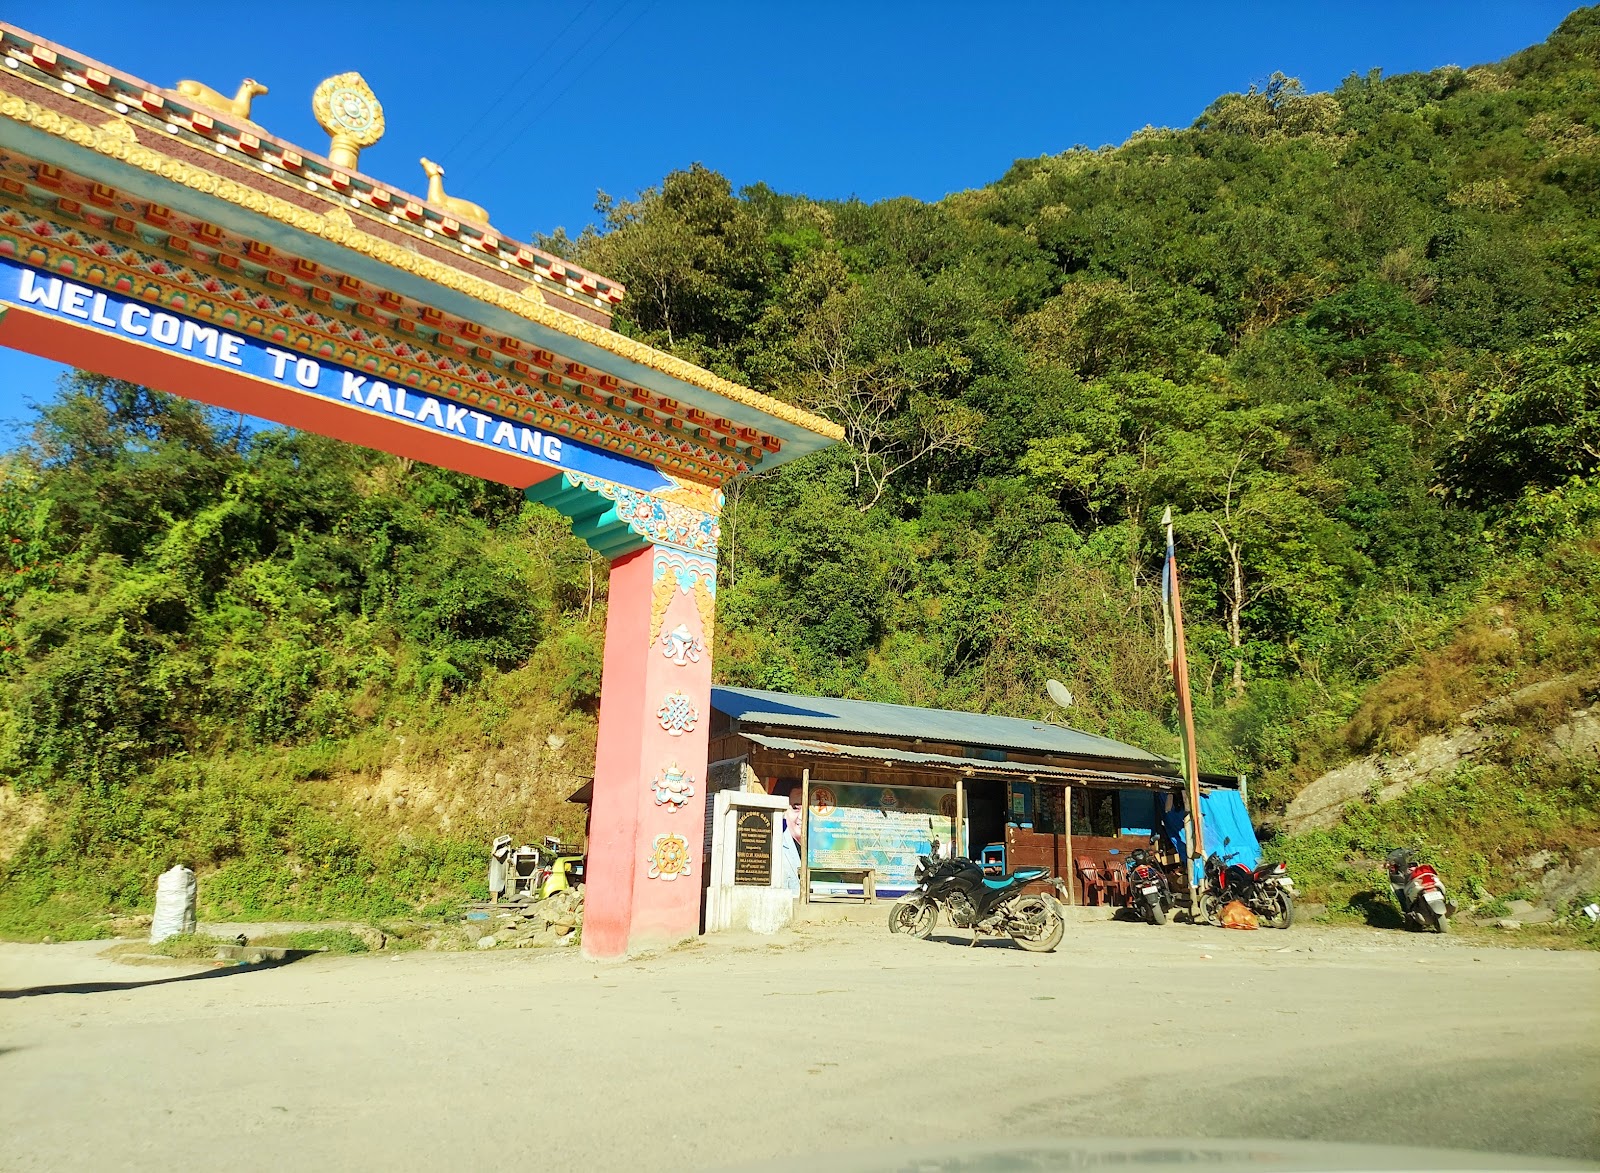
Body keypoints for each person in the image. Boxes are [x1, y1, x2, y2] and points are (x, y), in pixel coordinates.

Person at [779, 787, 803, 895]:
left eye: (808, 808)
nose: (802, 816)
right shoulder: (775, 849)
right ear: (785, 812)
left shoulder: (829, 848)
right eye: (796, 808)